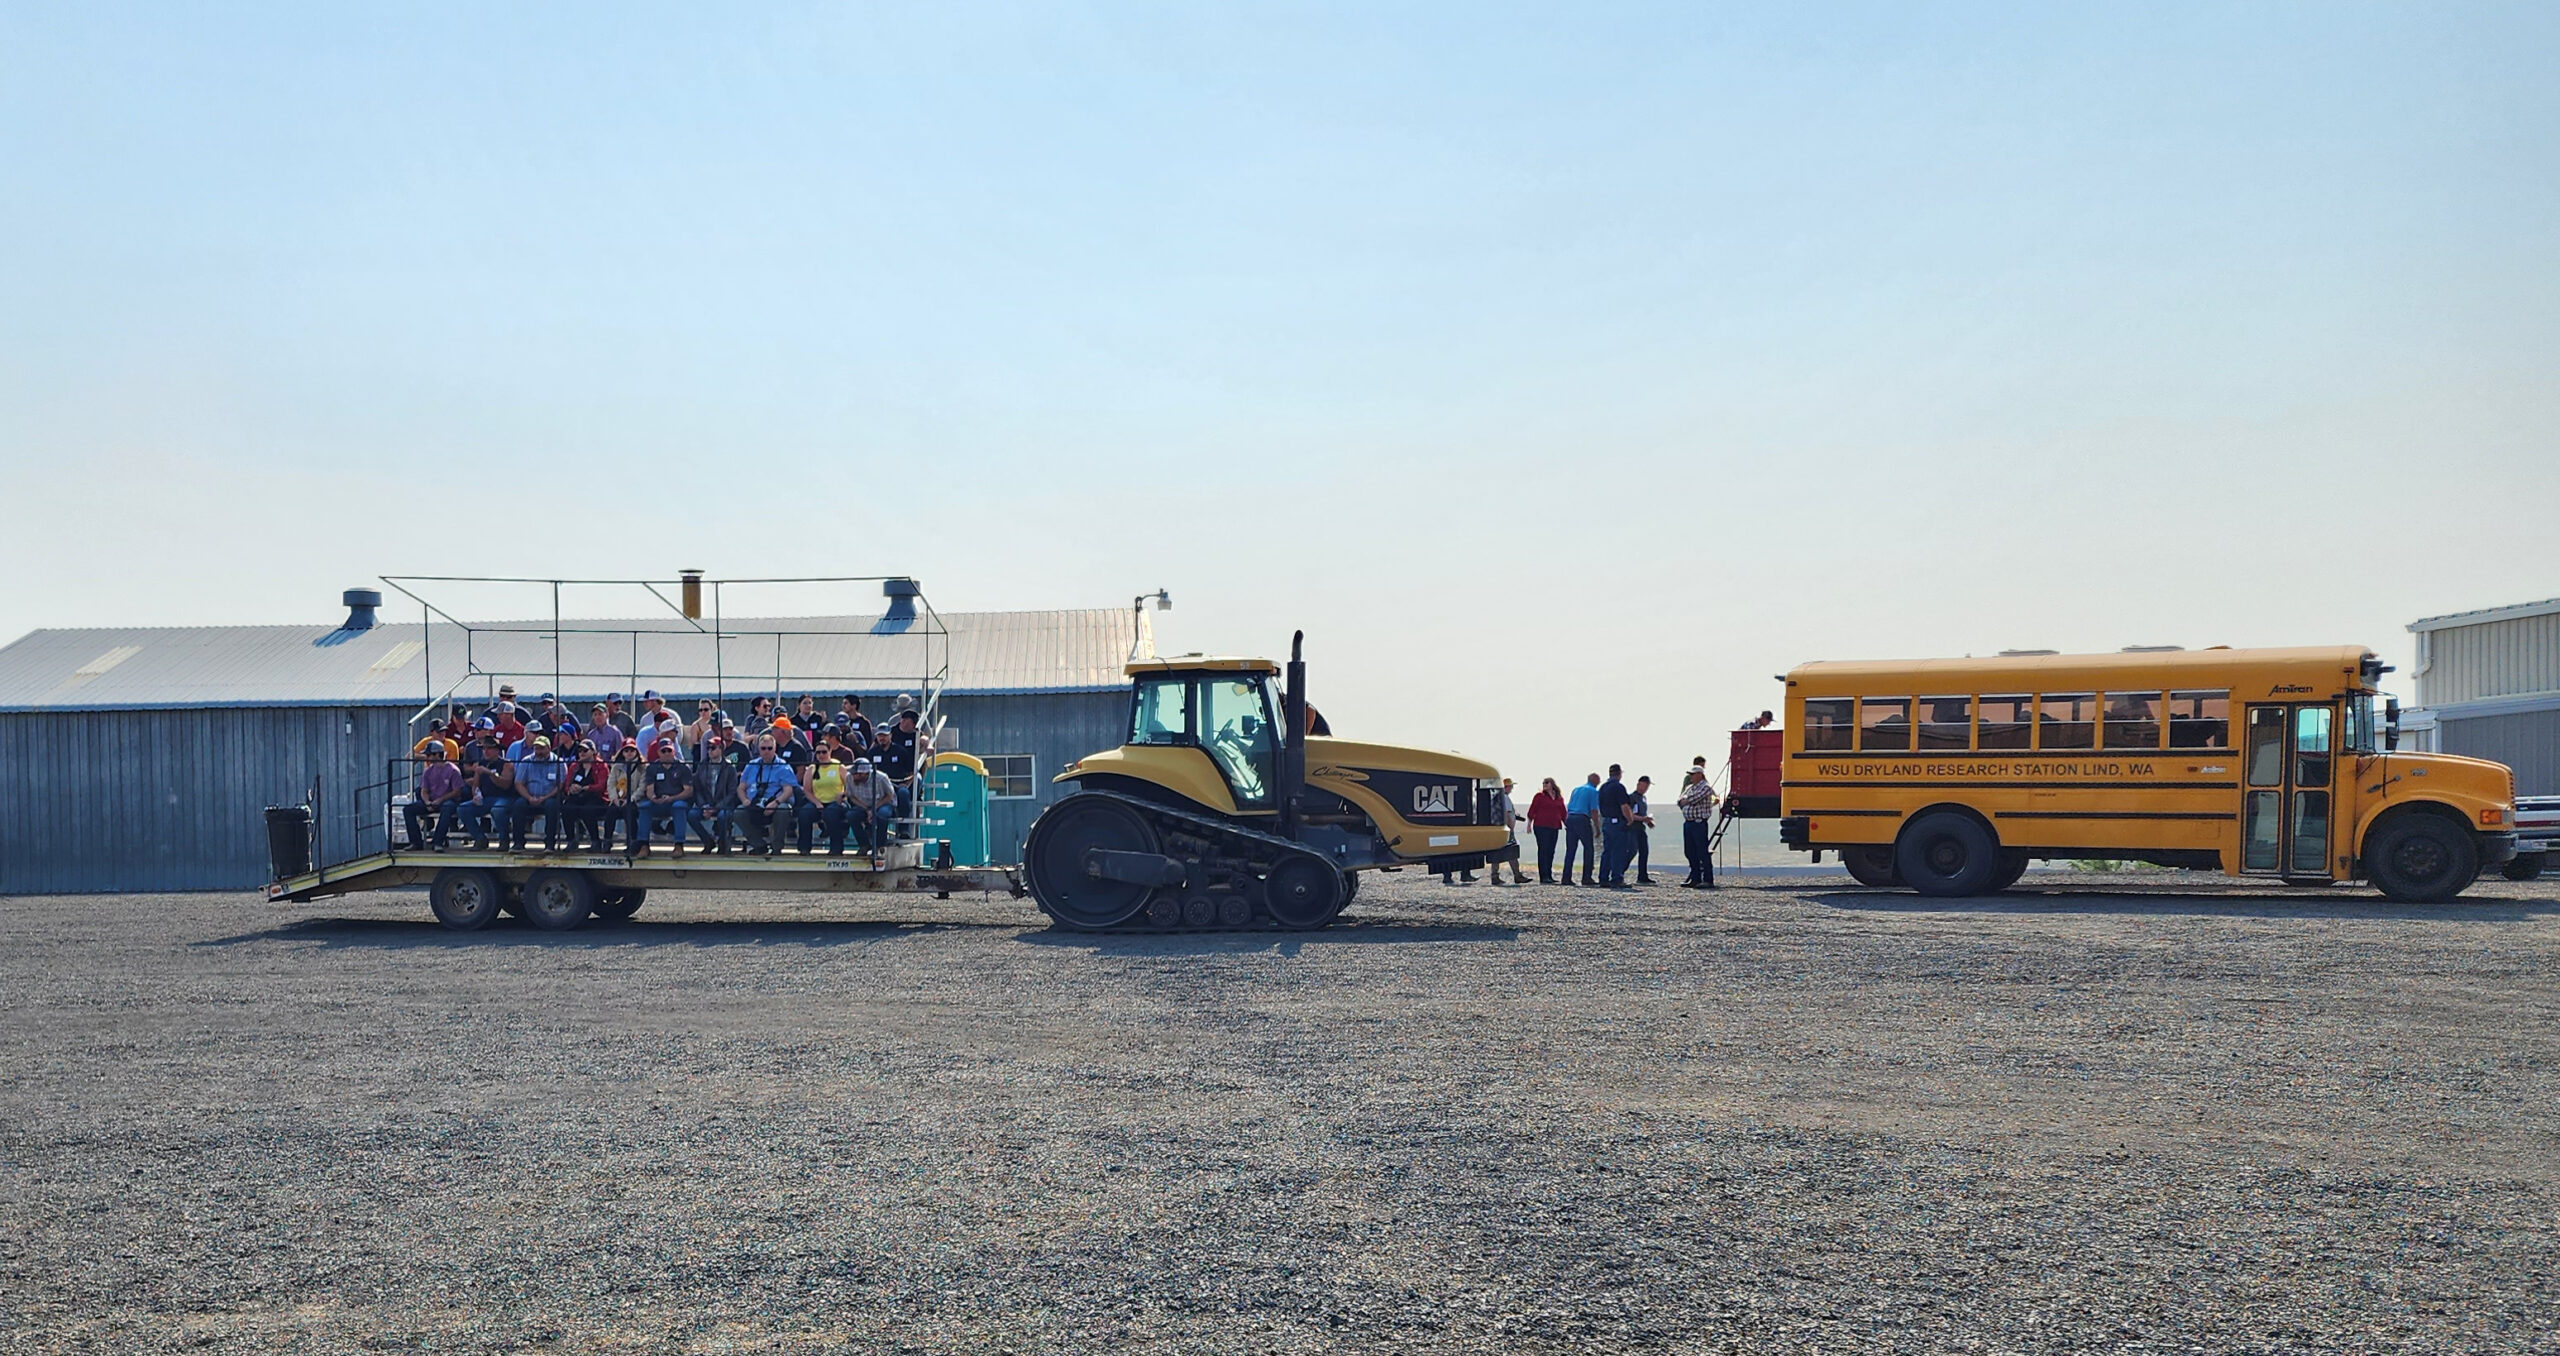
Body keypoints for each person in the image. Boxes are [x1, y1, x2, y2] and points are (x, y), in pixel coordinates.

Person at [635, 741, 705, 856]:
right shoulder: (652, 767)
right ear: (658, 753)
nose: (667, 753)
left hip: (677, 801)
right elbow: (649, 789)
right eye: (663, 751)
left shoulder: (683, 767)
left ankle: (679, 845)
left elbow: (688, 791)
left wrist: (672, 798)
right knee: (645, 807)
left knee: (679, 807)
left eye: (669, 750)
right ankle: (644, 845)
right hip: (659, 802)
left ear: (674, 751)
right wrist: (653, 798)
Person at [736, 736, 801, 856]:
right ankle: (759, 845)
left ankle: (776, 847)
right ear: (758, 749)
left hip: (775, 804)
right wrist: (745, 800)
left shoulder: (783, 766)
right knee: (739, 812)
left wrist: (775, 803)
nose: (766, 751)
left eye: (769, 748)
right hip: (754, 803)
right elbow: (741, 788)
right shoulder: (751, 765)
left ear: (775, 749)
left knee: (783, 809)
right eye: (763, 748)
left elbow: (788, 790)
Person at [405, 742, 466, 849]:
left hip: (448, 801)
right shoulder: (428, 771)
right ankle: (416, 842)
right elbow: (424, 790)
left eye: (429, 755)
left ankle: (438, 842)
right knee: (408, 810)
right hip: (432, 801)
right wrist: (427, 802)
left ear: (437, 754)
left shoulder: (453, 770)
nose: (427, 757)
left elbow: (457, 791)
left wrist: (440, 800)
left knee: (447, 807)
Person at [512, 735, 568, 851]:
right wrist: (529, 797)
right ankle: (518, 842)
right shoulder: (526, 761)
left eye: (541, 748)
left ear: (549, 748)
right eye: (536, 748)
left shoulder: (559, 762)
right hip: (529, 797)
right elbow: (519, 783)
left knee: (552, 805)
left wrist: (545, 797)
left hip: (549, 797)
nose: (538, 751)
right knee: (518, 804)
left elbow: (560, 785)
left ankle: (549, 843)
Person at [840, 757, 898, 854]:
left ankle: (879, 845)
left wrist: (874, 808)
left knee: (882, 815)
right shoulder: (849, 777)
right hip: (862, 805)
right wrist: (867, 809)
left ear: (865, 774)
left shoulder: (881, 777)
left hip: (882, 803)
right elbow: (852, 796)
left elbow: (890, 795)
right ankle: (864, 844)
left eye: (857, 774)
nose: (853, 776)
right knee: (851, 815)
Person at [562, 741, 612, 849]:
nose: (582, 753)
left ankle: (595, 840)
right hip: (577, 797)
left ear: (593, 751)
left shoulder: (601, 766)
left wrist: (586, 788)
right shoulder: (574, 766)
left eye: (585, 750)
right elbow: (567, 784)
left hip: (596, 797)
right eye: (579, 751)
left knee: (588, 810)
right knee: (566, 808)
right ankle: (571, 840)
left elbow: (601, 786)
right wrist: (571, 788)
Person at [1678, 767, 1718, 889]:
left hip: (1699, 823)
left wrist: (1686, 800)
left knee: (1702, 852)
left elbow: (1695, 799)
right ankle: (1695, 878)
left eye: (1693, 774)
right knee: (1690, 851)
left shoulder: (1706, 787)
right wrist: (1684, 801)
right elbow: (1680, 800)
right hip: (1688, 823)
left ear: (1700, 775)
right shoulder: (1689, 787)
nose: (1691, 776)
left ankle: (1708, 879)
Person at [1597, 764, 1633, 888]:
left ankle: (1603, 878)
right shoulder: (1619, 787)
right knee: (1618, 851)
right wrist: (1629, 819)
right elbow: (1624, 806)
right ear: (1619, 774)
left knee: (1607, 850)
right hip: (1617, 822)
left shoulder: (1603, 787)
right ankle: (1617, 878)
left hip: (1606, 821)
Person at [1562, 773, 1602, 886]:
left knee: (1570, 850)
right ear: (1595, 781)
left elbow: (1569, 806)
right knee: (1588, 848)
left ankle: (1566, 877)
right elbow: (1594, 810)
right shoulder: (1593, 791)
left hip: (1571, 817)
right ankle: (1586, 877)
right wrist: (1597, 827)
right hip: (1582, 818)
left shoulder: (1576, 789)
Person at [1527, 777, 1567, 883]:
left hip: (1554, 826)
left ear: (1552, 784)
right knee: (1543, 850)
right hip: (1541, 826)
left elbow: (1563, 813)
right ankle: (1543, 876)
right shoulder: (1539, 796)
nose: (1544, 784)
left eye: (1547, 782)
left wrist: (1567, 824)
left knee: (1551, 850)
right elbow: (1532, 810)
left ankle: (1549, 875)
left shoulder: (1559, 798)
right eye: (1543, 783)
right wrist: (1529, 824)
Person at [1488, 777, 1528, 885]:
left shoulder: (1496, 797)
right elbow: (1506, 813)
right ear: (1506, 787)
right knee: (1512, 852)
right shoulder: (1505, 798)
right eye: (1511, 786)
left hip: (1497, 829)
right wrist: (1510, 827)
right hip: (1506, 829)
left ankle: (1495, 876)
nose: (1512, 789)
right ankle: (1517, 875)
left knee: (1497, 852)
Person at [1627, 775, 1656, 885]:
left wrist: (1648, 822)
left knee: (1644, 851)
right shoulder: (1632, 798)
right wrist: (1643, 819)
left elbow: (1642, 814)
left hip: (1641, 828)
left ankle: (1642, 876)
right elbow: (1630, 814)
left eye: (1647, 787)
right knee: (1632, 851)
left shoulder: (1643, 798)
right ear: (1639, 784)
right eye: (1644, 786)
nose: (1645, 789)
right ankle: (1618, 872)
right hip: (1632, 828)